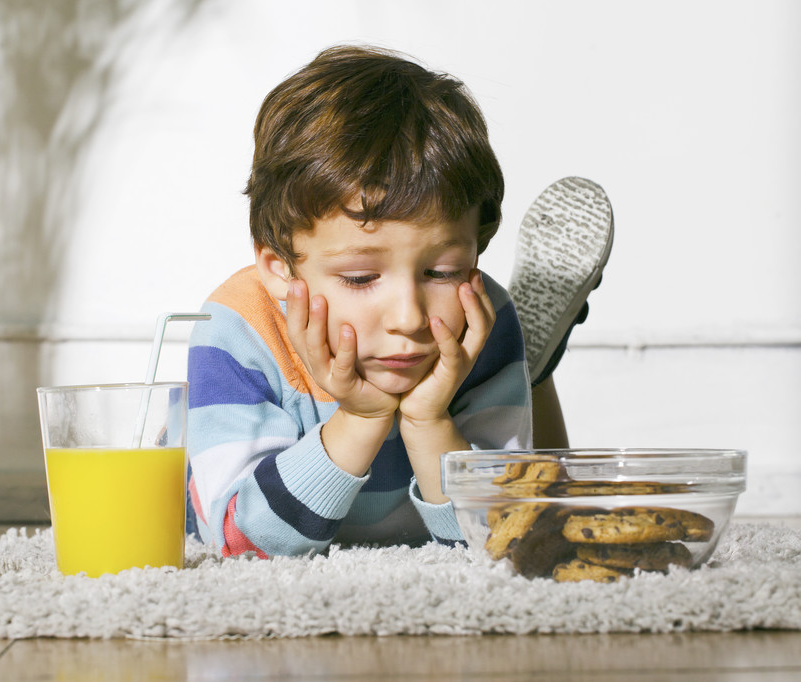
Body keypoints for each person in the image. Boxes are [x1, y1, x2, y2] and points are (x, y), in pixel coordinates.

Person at [185, 45, 613, 558]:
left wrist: (430, 422)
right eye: (362, 277)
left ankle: (533, 370)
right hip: (204, 497)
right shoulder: (237, 330)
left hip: (482, 365)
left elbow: (508, 535)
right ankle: (536, 374)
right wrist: (359, 419)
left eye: (443, 271)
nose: (409, 318)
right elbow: (240, 542)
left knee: (552, 506)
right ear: (280, 268)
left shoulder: (481, 319)